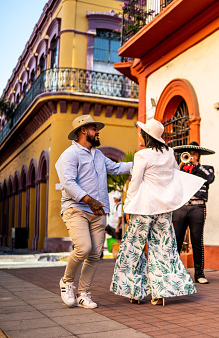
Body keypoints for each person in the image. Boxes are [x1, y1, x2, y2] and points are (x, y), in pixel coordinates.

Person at [110, 119, 205, 306]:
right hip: (163, 210)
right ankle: (160, 293)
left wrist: (128, 207)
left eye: (142, 132)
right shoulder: (169, 153)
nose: (140, 135)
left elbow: (135, 183)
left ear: (147, 136)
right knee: (163, 251)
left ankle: (136, 293)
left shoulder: (142, 155)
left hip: (144, 209)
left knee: (134, 250)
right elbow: (176, 176)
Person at [55, 115, 132, 309]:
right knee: (83, 248)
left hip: (98, 212)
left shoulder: (98, 155)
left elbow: (116, 168)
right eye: (94, 128)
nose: (97, 132)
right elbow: (68, 183)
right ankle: (66, 282)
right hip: (77, 209)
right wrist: (89, 200)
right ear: (83, 131)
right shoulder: (70, 155)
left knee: (96, 254)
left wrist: (142, 162)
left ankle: (83, 293)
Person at [172, 142, 215, 284]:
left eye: (194, 153)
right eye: (189, 153)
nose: (191, 156)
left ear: (198, 156)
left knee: (197, 240)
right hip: (181, 207)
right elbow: (171, 181)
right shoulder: (181, 169)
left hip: (198, 207)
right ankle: (174, 273)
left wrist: (196, 165)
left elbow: (210, 178)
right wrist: (180, 167)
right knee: (176, 240)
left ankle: (199, 274)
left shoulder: (206, 169)